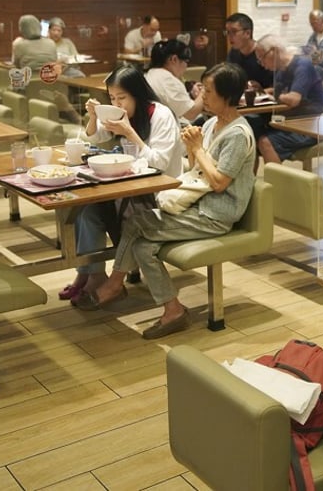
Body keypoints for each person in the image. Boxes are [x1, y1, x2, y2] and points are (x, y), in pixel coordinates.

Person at [74, 63, 256, 340]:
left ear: (228, 95)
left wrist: (195, 148)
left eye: (208, 91)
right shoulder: (210, 124)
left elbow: (219, 183)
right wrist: (194, 149)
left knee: (135, 223)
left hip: (216, 213)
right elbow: (196, 170)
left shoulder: (238, 134)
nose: (202, 96)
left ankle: (112, 285)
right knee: (144, 246)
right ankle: (173, 310)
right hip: (194, 205)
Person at [62, 66, 184, 303]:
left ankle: (110, 279)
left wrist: (130, 133)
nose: (117, 104)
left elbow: (160, 162)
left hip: (159, 192)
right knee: (84, 212)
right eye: (112, 98)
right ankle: (92, 274)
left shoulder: (161, 115)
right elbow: (96, 137)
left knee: (116, 211)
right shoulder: (120, 113)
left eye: (122, 98)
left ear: (138, 94)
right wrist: (95, 116)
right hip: (129, 186)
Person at [253, 34, 323, 165]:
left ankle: (276, 184)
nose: (262, 64)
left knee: (265, 141)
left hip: (309, 126)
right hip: (289, 122)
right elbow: (279, 92)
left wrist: (275, 96)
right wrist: (261, 92)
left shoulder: (302, 65)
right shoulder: (280, 70)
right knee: (252, 133)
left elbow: (293, 99)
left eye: (262, 58)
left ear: (274, 51)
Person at [144, 38, 204, 123]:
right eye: (186, 61)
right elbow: (191, 113)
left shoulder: (151, 73)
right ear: (174, 59)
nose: (186, 67)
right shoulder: (168, 80)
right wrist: (205, 90)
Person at [225, 12, 271, 89]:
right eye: (228, 32)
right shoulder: (233, 52)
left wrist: (261, 89)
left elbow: (276, 87)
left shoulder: (263, 53)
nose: (230, 36)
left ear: (247, 33)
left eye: (234, 32)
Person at [303, 9, 323, 81]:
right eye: (311, 24)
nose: (313, 26)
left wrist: (316, 55)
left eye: (315, 23)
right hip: (313, 67)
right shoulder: (313, 36)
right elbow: (308, 52)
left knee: (303, 74)